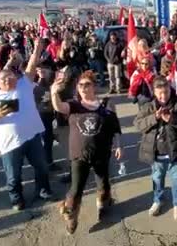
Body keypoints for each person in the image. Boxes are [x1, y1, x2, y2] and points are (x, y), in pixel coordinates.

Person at [0, 40, 53, 211]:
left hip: (32, 137)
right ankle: (16, 198)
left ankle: (43, 190)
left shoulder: (24, 85)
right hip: (11, 143)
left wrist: (38, 46)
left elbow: (32, 64)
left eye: (11, 76)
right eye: (4, 78)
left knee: (41, 167)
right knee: (13, 175)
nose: (9, 78)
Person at [51, 71, 122, 234]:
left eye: (87, 84)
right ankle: (71, 217)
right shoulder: (74, 105)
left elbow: (115, 127)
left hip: (101, 152)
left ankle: (103, 204)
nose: (83, 88)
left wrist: (118, 145)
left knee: (103, 183)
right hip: (79, 154)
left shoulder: (106, 104)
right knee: (76, 189)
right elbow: (59, 106)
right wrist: (54, 92)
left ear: (94, 86)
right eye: (80, 85)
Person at [134, 76, 177, 220]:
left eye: (166, 92)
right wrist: (154, 118)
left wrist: (172, 119)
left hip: (175, 151)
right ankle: (158, 200)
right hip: (156, 152)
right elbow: (138, 124)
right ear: (154, 92)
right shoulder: (148, 107)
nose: (163, 96)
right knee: (157, 179)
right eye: (160, 93)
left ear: (170, 89)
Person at [33, 61, 57, 169]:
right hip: (42, 115)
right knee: (45, 140)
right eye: (39, 70)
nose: (42, 71)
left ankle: (48, 162)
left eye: (44, 69)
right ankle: (46, 163)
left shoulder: (53, 81)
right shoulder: (36, 84)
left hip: (52, 113)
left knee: (49, 140)